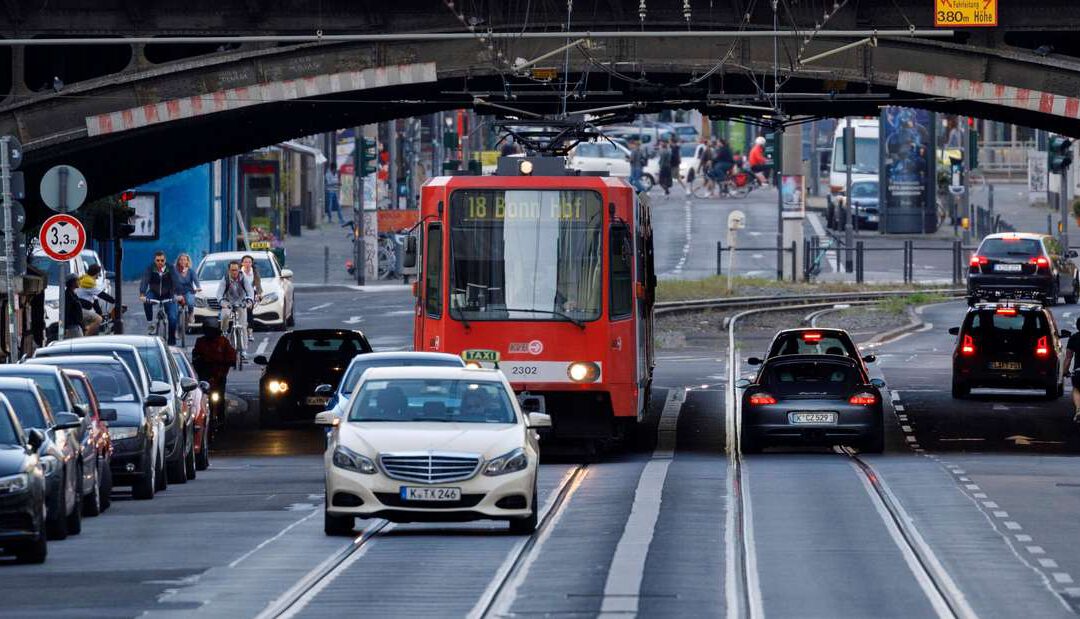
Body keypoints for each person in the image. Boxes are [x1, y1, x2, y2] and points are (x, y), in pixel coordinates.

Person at [191, 319, 236, 432]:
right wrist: (200, 364)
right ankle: (204, 417)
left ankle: (220, 419)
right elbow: (195, 357)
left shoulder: (223, 342)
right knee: (203, 398)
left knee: (220, 397)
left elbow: (231, 355)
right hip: (205, 376)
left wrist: (229, 362)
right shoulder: (200, 342)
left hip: (219, 375)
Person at [138, 250, 179, 345]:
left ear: (165, 260)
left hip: (169, 294)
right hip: (154, 292)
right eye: (158, 260)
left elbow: (176, 281)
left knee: (172, 318)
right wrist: (142, 293)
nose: (160, 262)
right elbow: (145, 280)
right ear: (154, 260)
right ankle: (150, 323)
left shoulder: (170, 268)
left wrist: (178, 294)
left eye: (162, 260)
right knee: (146, 301)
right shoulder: (150, 268)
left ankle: (172, 341)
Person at [217, 261, 254, 353]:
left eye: (236, 270)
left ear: (239, 270)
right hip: (228, 302)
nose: (234, 272)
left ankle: (244, 349)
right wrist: (222, 302)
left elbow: (250, 291)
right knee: (225, 315)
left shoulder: (243, 278)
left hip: (241, 302)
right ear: (229, 270)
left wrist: (249, 301)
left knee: (243, 325)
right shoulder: (225, 279)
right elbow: (219, 293)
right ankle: (224, 331)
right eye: (232, 270)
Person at [76, 265, 116, 336]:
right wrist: (115, 301)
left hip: (83, 309)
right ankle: (86, 337)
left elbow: (95, 300)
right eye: (99, 273)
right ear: (96, 273)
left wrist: (99, 312)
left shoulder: (88, 279)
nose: (99, 275)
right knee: (98, 319)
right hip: (81, 309)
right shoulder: (88, 282)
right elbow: (101, 294)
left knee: (96, 318)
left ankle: (87, 333)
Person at [240, 255, 262, 342]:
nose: (247, 264)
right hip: (239, 294)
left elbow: (258, 284)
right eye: (245, 262)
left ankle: (250, 333)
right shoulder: (239, 272)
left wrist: (259, 293)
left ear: (252, 263)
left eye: (249, 262)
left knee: (249, 312)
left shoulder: (255, 272)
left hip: (250, 294)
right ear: (242, 263)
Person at [1062, 317, 1080, 422]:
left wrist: (1065, 371)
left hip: (1078, 371)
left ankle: (1078, 409)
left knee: (1077, 389)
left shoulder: (1074, 338)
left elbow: (1068, 357)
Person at [173, 253, 201, 319]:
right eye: (181, 260)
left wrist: (198, 287)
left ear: (187, 261)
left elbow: (196, 280)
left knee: (191, 303)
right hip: (177, 292)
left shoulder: (191, 271)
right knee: (173, 308)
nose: (183, 261)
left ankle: (190, 314)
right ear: (178, 261)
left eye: (184, 260)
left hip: (188, 291)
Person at [62, 274, 84, 339]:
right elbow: (66, 311)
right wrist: (65, 327)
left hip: (77, 326)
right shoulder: (68, 295)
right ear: (72, 282)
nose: (79, 282)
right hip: (72, 327)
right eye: (77, 280)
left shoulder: (73, 294)